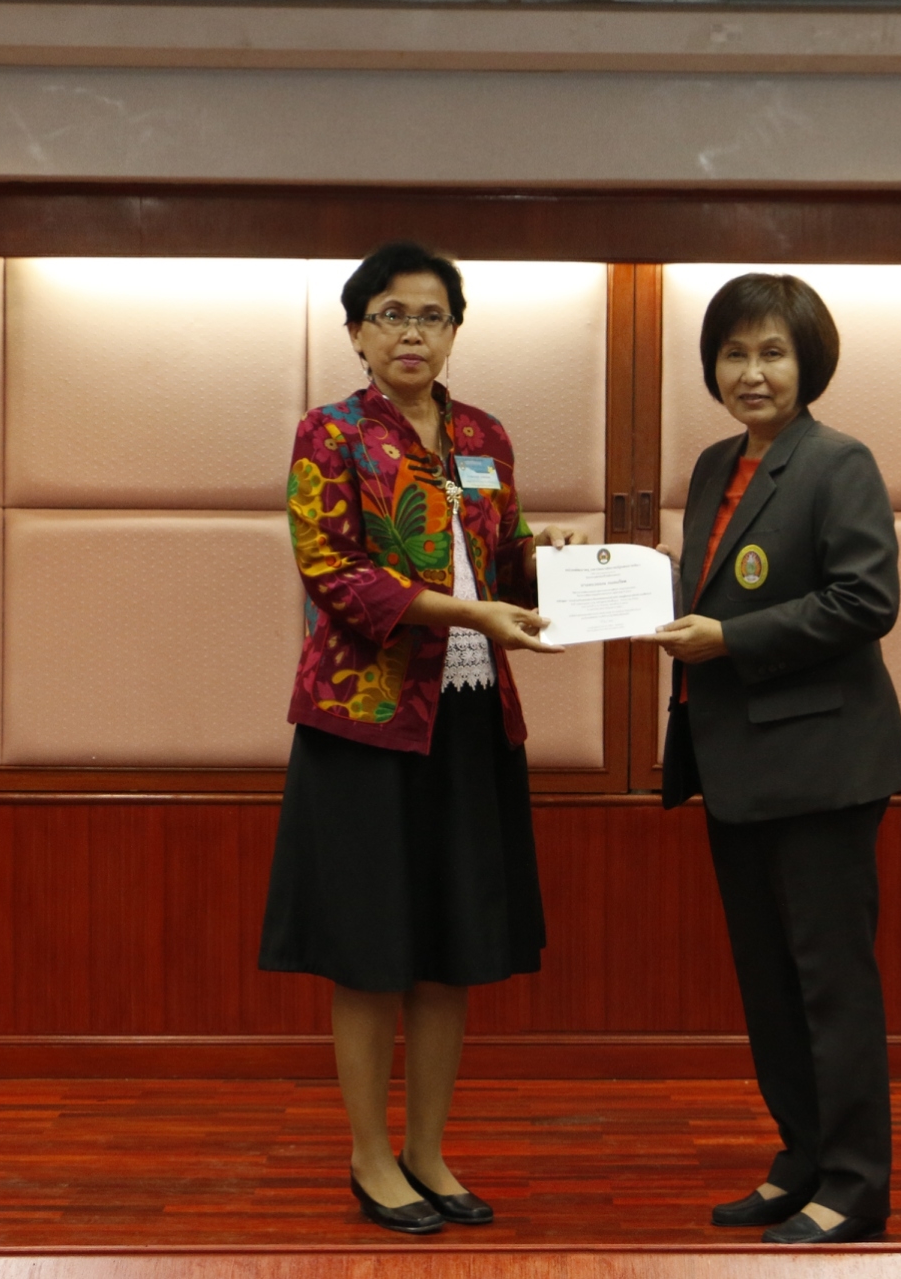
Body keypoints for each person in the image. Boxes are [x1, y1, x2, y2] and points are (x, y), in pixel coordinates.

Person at [260, 241, 582, 1234]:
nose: (412, 332)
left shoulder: (483, 434)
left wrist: (547, 564)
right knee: (371, 951)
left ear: (453, 331)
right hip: (367, 722)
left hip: (472, 717)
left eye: (431, 315)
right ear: (357, 333)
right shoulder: (330, 433)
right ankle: (370, 1157)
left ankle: (428, 1151)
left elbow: (502, 558)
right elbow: (333, 571)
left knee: (450, 947)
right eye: (391, 315)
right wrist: (469, 612)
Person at [639, 273, 901, 1246]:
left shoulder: (839, 462)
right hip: (736, 764)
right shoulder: (715, 464)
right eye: (733, 354)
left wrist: (730, 640)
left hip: (823, 767)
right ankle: (800, 1159)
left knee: (829, 984)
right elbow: (712, 589)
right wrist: (617, 585)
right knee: (768, 984)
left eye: (771, 353)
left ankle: (855, 1183)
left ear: (808, 363)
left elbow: (865, 601)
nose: (750, 373)